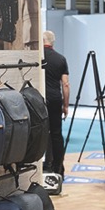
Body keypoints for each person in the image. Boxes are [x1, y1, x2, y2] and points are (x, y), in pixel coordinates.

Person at [43, 30, 69, 177]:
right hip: (54, 99)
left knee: (39, 132)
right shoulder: (61, 59)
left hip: (38, 100)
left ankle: (43, 165)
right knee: (56, 134)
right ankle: (58, 168)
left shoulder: (38, 59)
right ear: (53, 42)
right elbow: (65, 85)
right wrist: (65, 105)